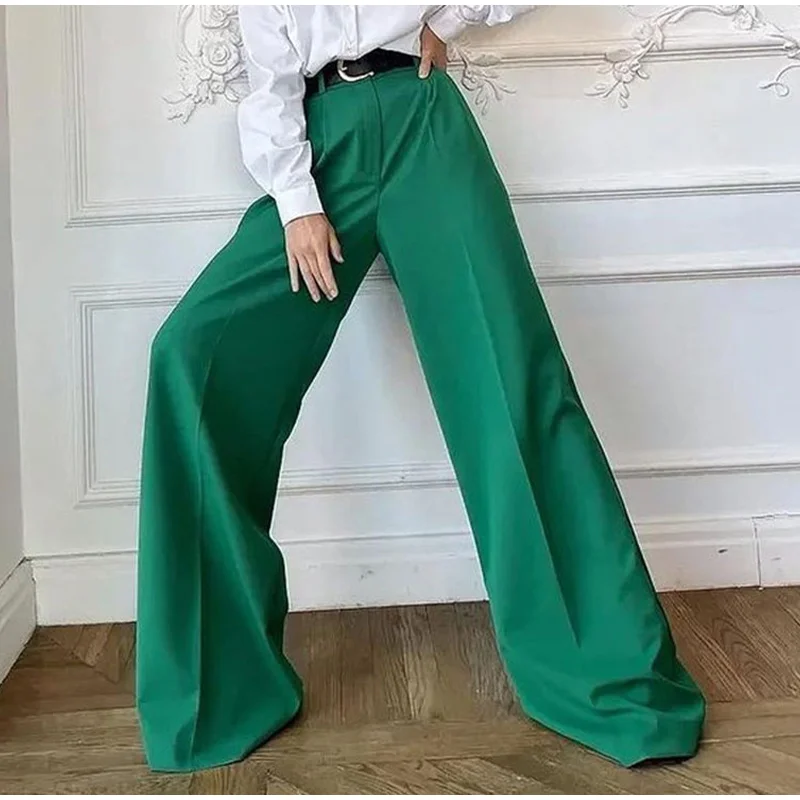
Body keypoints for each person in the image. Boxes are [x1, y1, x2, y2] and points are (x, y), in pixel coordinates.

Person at [135, 5, 706, 773]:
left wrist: (455, 18)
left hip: (424, 123)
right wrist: (298, 205)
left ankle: (614, 682)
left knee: (512, 384)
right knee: (191, 356)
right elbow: (269, 83)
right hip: (321, 145)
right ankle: (218, 692)